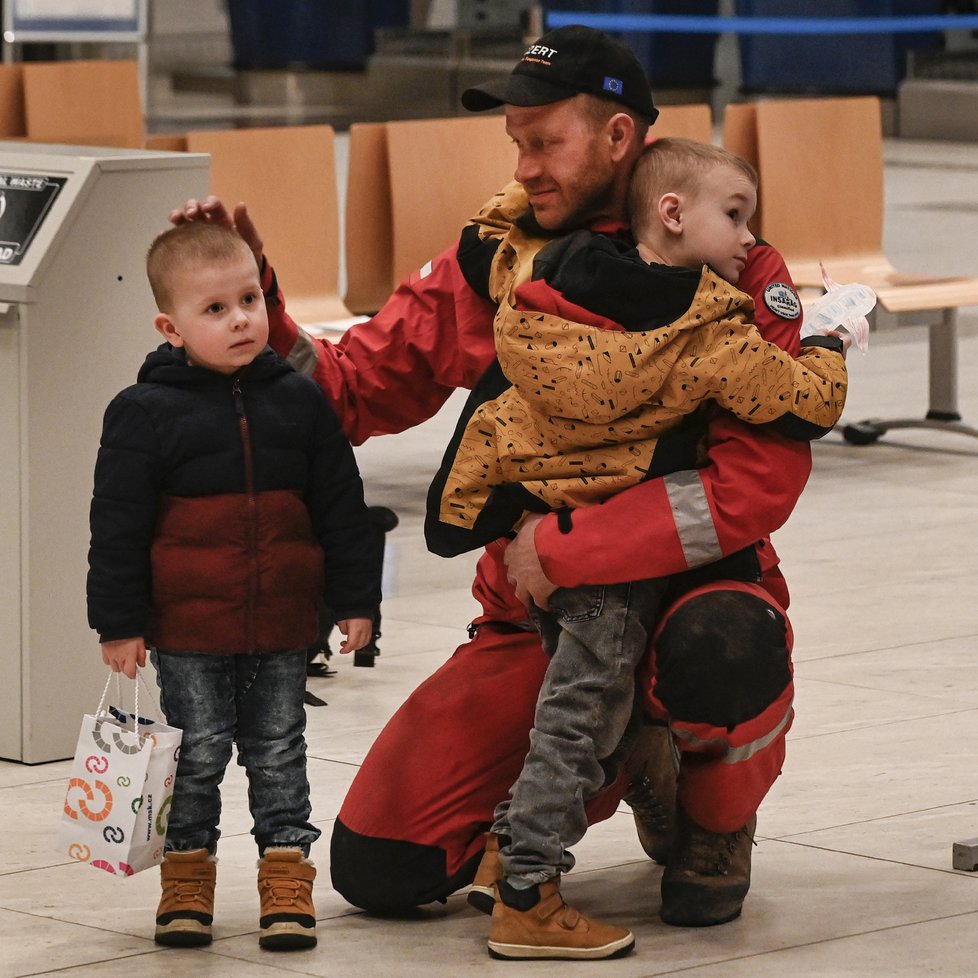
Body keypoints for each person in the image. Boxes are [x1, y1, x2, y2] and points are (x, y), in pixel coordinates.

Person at [171, 22, 817, 951]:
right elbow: (351, 391)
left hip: (691, 597)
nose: (525, 165)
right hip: (540, 624)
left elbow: (753, 486)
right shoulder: (495, 256)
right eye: (514, 142)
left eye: (543, 141)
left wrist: (562, 548)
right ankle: (630, 749)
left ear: (620, 139)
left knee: (728, 646)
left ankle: (710, 820)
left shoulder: (734, 261)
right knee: (379, 866)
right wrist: (255, 315)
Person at [421, 137, 846, 958]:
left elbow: (491, 258)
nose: (750, 240)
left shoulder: (548, 287)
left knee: (576, 707)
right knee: (580, 721)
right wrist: (825, 340)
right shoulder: (704, 322)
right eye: (735, 217)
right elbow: (800, 398)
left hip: (540, 542)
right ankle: (527, 895)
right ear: (674, 213)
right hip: (610, 568)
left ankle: (511, 851)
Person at [87, 221, 381, 952]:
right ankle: (187, 879)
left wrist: (354, 602)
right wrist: (118, 623)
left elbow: (341, 511)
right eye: (214, 309)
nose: (241, 318)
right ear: (171, 326)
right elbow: (117, 529)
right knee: (197, 753)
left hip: (285, 624)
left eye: (249, 298)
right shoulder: (143, 413)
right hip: (187, 632)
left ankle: (286, 876)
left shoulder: (301, 402)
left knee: (280, 750)